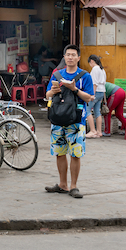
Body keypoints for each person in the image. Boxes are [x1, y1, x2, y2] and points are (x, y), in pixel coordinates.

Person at [44, 44, 94, 199]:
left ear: (78, 57)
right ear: (64, 57)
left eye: (73, 55)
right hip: (58, 118)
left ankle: (74, 186)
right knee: (59, 153)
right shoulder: (57, 75)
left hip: (77, 120)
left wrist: (74, 89)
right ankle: (62, 184)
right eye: (68, 55)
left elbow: (90, 97)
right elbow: (47, 95)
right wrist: (54, 91)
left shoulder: (85, 76)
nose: (70, 57)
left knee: (75, 154)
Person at [85, 55, 106, 138]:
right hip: (101, 92)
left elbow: (94, 83)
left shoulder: (95, 69)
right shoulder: (102, 69)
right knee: (97, 111)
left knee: (87, 110)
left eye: (89, 63)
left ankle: (93, 130)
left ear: (92, 61)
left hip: (96, 92)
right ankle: (99, 131)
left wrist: (92, 94)